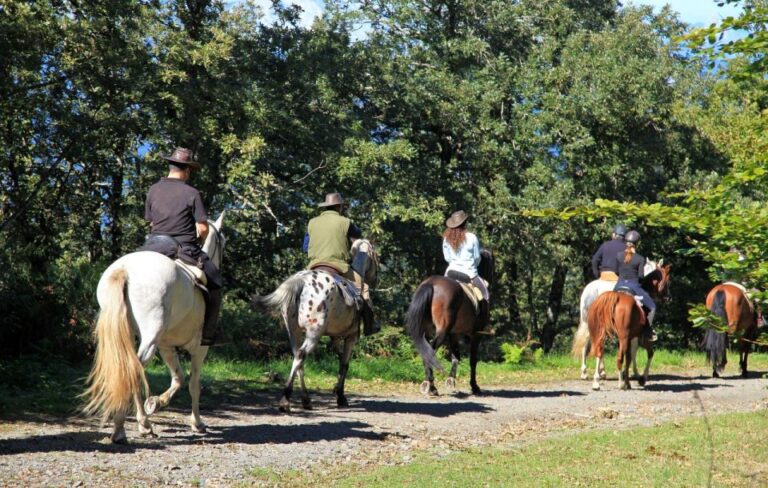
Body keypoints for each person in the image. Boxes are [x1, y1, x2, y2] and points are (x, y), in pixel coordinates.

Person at [144, 147, 223, 346]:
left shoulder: (153, 189)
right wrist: (200, 238)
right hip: (182, 247)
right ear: (187, 170)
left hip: (151, 245)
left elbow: (151, 223)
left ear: (170, 166)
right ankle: (207, 334)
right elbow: (203, 228)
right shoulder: (191, 192)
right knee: (216, 284)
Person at [306, 192, 374, 332]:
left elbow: (305, 246)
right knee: (363, 288)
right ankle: (369, 325)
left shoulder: (312, 222)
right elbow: (358, 234)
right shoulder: (345, 222)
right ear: (339, 207)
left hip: (313, 266)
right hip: (338, 266)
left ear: (326, 207)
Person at [442, 210, 490, 328]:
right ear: (465, 223)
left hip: (450, 274)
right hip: (469, 275)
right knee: (486, 295)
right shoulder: (471, 237)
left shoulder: (446, 239)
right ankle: (483, 325)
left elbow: (447, 258)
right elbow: (477, 258)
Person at [614, 230, 656, 342]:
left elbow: (616, 272)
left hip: (618, 286)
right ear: (637, 243)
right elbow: (641, 277)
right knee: (652, 307)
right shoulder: (640, 258)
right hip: (634, 286)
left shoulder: (618, 256)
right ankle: (647, 331)